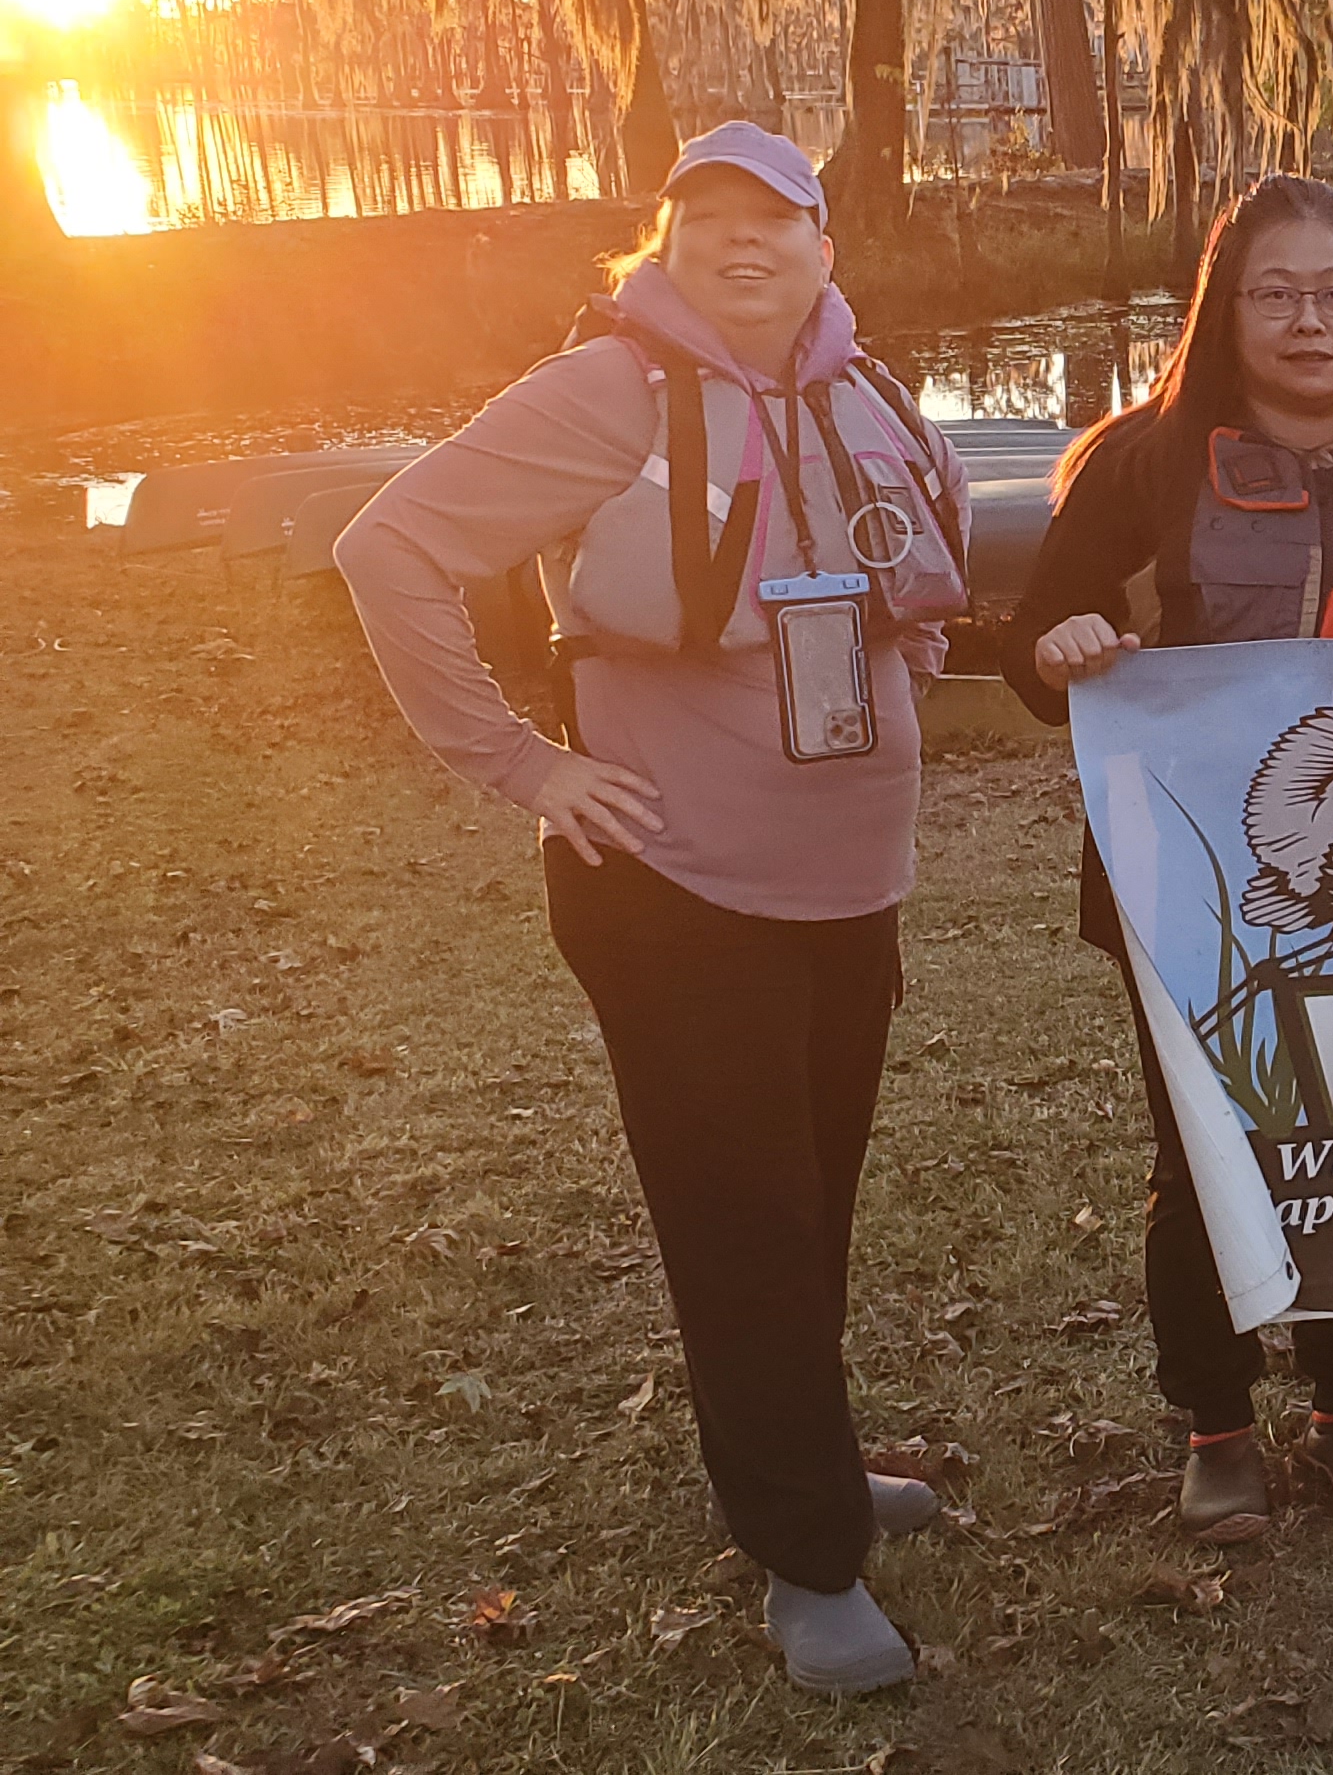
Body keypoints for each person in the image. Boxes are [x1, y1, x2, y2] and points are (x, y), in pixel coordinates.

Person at [333, 123, 967, 1697]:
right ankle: (811, 1561)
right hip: (681, 895)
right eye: (708, 218)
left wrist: (913, 672)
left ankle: (799, 1458)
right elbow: (389, 545)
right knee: (741, 1219)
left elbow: (914, 566)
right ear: (664, 244)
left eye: (777, 218)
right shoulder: (607, 391)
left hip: (847, 890)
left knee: (808, 1203)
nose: (743, 241)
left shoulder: (866, 390)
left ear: (828, 245)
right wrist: (520, 762)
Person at [1005, 176, 1333, 1539]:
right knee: (1204, 1142)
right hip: (1184, 878)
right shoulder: (1146, 460)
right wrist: (1058, 653)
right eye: (1275, 294)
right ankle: (1217, 1421)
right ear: (1224, 313)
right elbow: (1035, 633)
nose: (1309, 321)